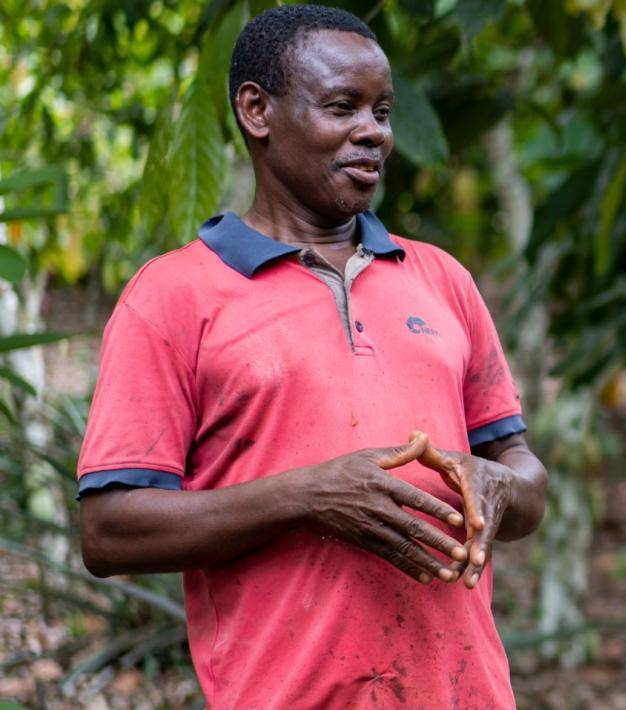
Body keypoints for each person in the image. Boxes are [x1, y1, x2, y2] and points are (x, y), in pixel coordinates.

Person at [73, 5, 546, 706]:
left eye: (382, 111)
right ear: (257, 111)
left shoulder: (439, 278)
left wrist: (501, 485)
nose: (374, 133)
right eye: (342, 106)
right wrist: (308, 497)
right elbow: (109, 532)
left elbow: (526, 477)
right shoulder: (173, 297)